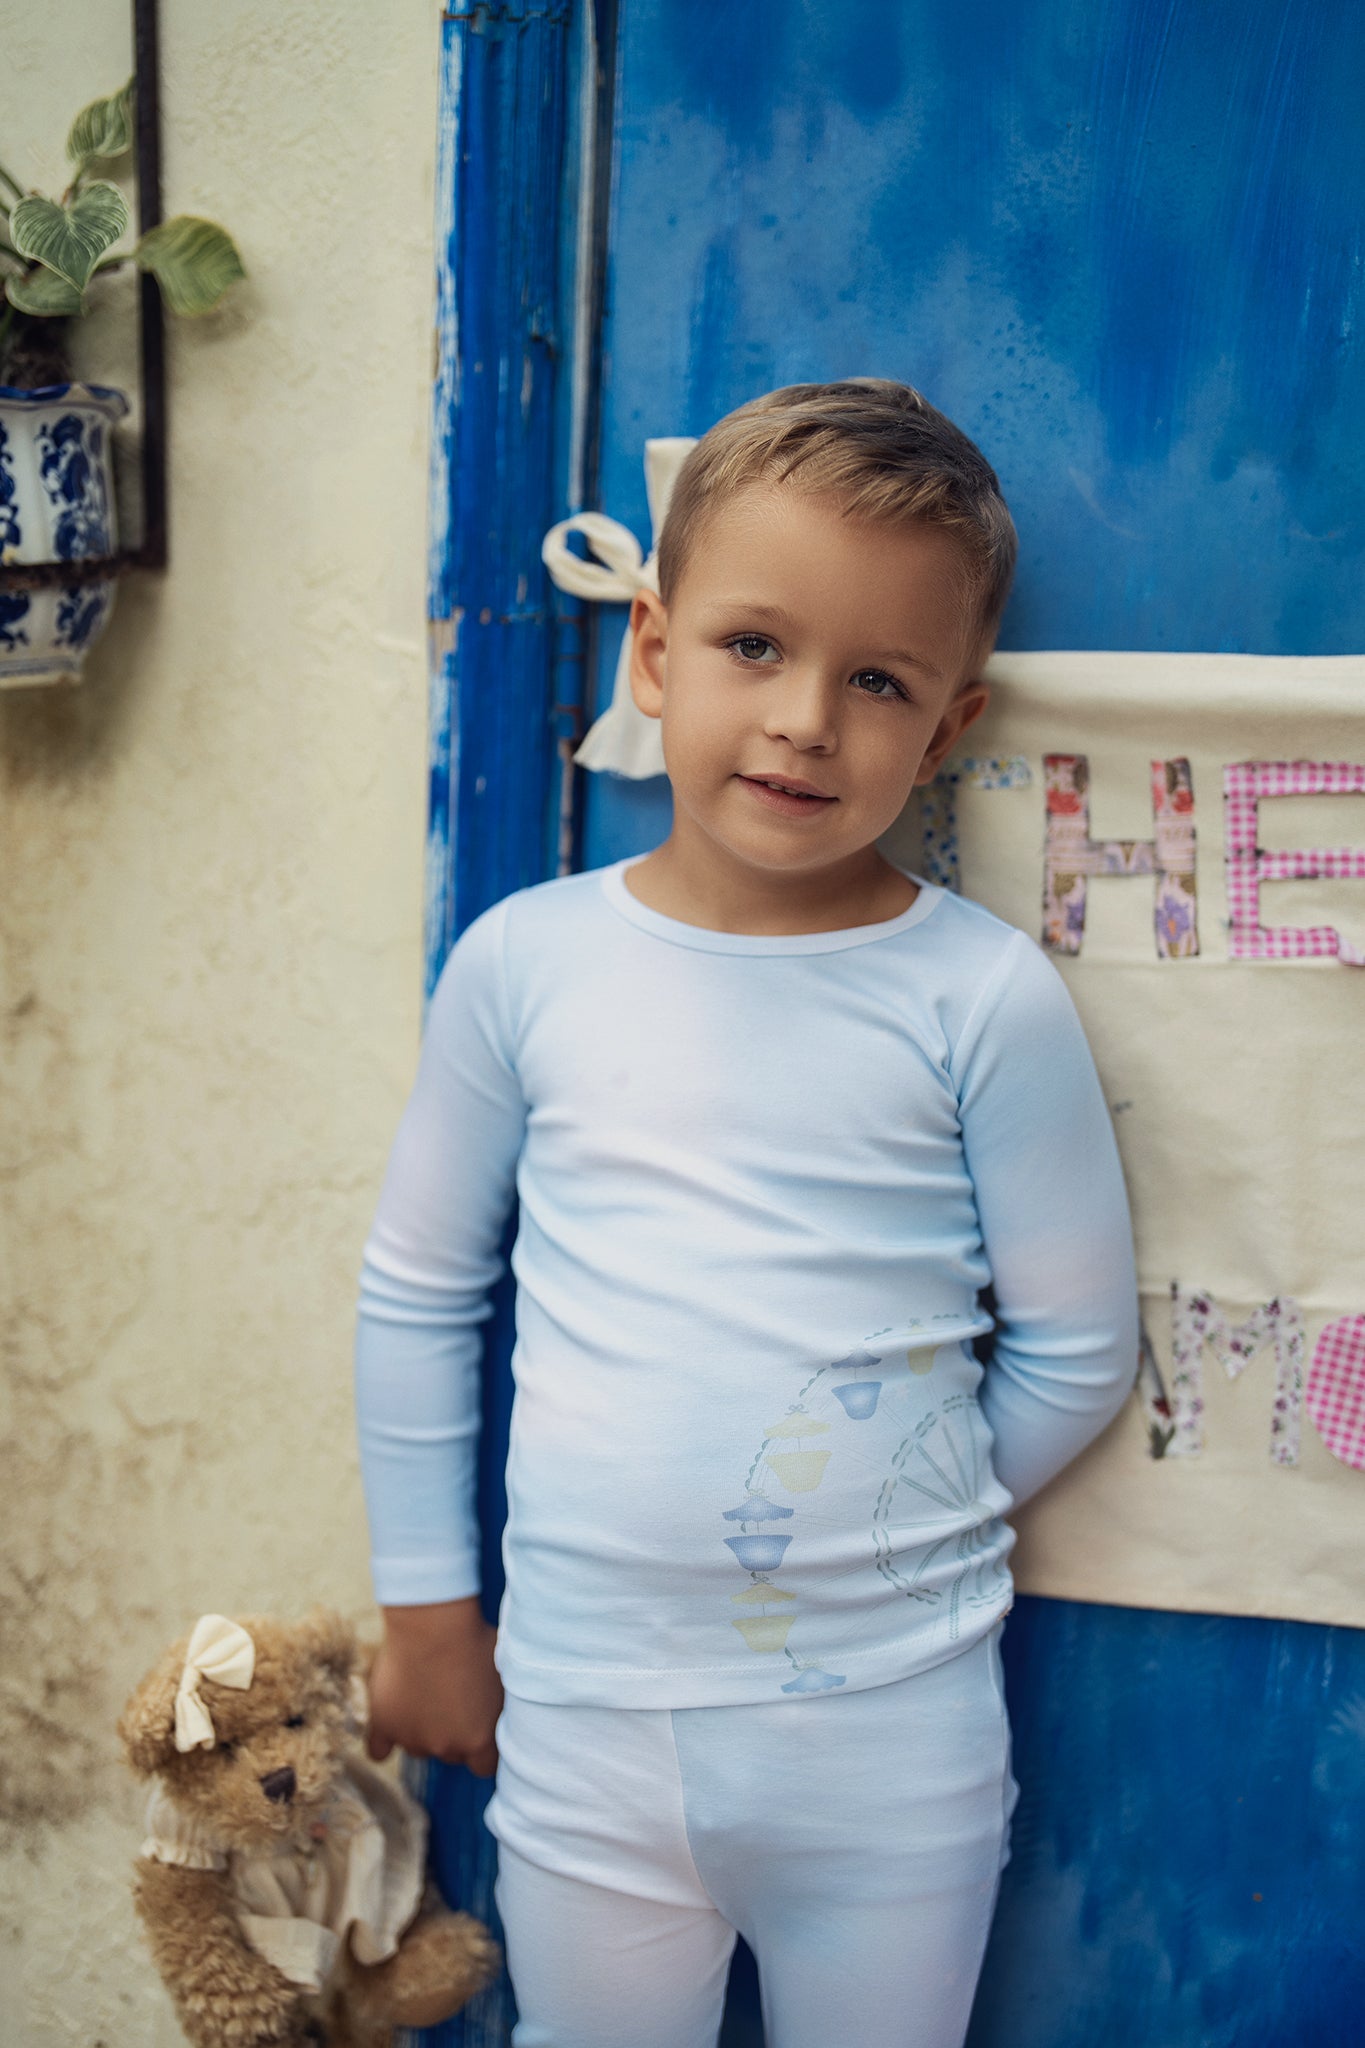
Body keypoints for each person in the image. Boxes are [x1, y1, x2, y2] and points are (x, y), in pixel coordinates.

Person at [354, 380, 1138, 2048]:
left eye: (875, 682)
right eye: (752, 649)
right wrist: (430, 1610)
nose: (801, 722)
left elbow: (1076, 1349)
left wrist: (884, 1515)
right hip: (582, 1726)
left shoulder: (979, 998)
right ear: (652, 648)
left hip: (888, 1744)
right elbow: (421, 1292)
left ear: (946, 729)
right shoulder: (525, 965)